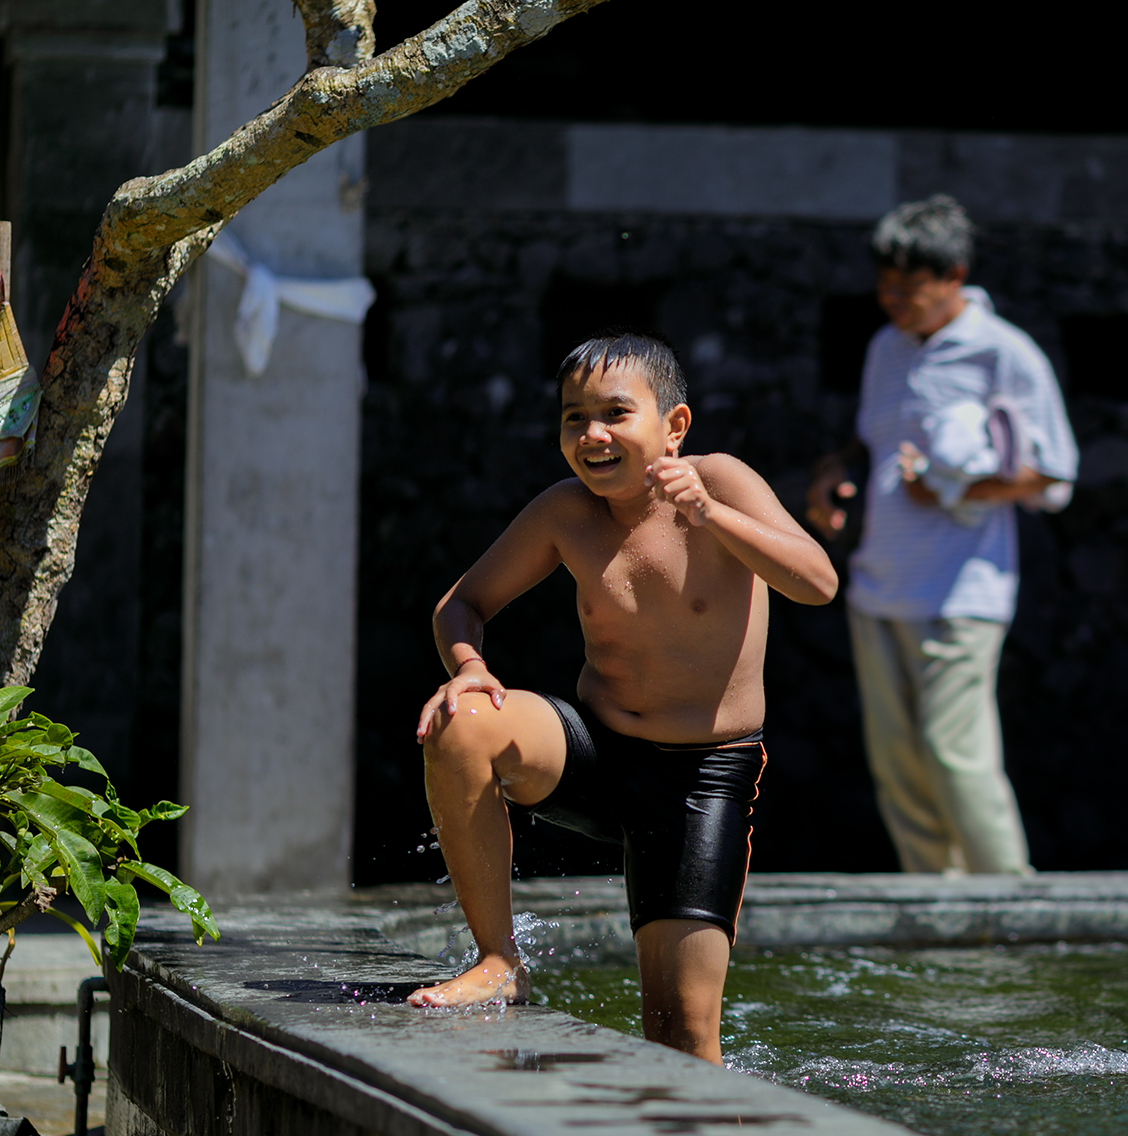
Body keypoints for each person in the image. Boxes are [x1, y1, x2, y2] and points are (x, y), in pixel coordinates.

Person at [408, 332, 837, 1064]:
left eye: (614, 413)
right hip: (598, 756)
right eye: (574, 417)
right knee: (464, 723)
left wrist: (712, 517)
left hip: (700, 781)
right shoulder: (565, 513)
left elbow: (817, 582)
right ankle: (498, 962)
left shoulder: (721, 481)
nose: (592, 435)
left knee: (678, 1033)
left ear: (674, 427)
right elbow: (461, 603)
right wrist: (469, 665)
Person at [807, 196, 1078, 876]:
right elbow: (873, 445)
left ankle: (1010, 909)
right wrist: (837, 474)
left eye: (910, 287)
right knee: (899, 769)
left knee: (956, 757)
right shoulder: (885, 348)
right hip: (879, 585)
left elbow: (1053, 474)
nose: (893, 300)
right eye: (885, 284)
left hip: (963, 590)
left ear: (955, 275)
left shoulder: (1005, 353)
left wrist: (953, 490)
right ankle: (939, 916)